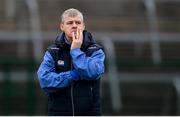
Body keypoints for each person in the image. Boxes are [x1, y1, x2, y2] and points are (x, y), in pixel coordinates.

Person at [37, 8, 105, 116]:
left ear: (83, 26)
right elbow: (45, 80)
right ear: (62, 26)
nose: (74, 25)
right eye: (69, 23)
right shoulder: (53, 52)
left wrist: (75, 50)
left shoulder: (95, 50)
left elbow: (93, 72)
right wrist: (72, 75)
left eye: (78, 22)